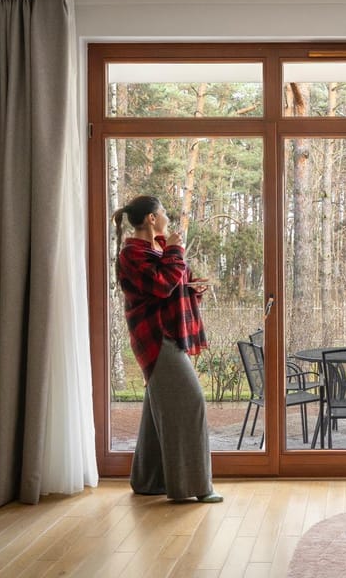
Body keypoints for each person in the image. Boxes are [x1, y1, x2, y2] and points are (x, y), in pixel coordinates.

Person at [112, 195, 222, 503]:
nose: (167, 219)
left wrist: (192, 290)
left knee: (157, 408)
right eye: (163, 213)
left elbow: (170, 286)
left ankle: (148, 480)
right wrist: (175, 250)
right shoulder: (132, 253)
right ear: (150, 218)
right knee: (191, 402)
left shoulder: (155, 249)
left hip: (168, 334)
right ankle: (195, 487)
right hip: (156, 338)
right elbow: (161, 285)